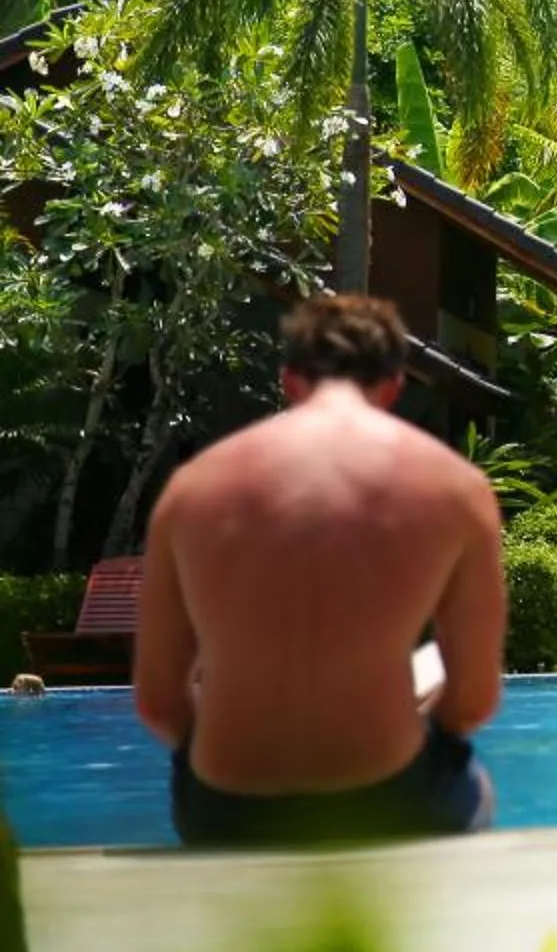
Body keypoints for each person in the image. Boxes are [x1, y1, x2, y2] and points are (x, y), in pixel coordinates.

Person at [134, 293, 505, 847]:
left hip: (227, 810)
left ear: (289, 380)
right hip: (386, 797)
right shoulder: (455, 487)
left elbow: (160, 702)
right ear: (393, 385)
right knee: (473, 782)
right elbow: (473, 701)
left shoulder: (192, 488)